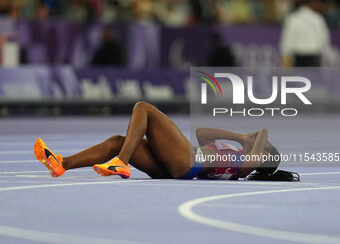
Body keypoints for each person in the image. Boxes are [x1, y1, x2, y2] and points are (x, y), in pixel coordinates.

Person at [34, 101, 298, 181]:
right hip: (176, 164)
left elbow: (257, 150)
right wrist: (241, 136)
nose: (251, 143)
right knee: (119, 141)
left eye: (259, 147)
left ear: (262, 155)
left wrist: (262, 132)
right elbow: (202, 133)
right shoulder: (236, 151)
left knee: (143, 108)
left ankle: (121, 164)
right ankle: (62, 163)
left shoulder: (246, 166)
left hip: (187, 161)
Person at [280, 0, 331, 67]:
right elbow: (323, 37)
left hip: (299, 55)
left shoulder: (292, 18)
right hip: (312, 54)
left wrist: (285, 54)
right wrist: (326, 53)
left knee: (299, 77)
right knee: (312, 78)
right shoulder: (317, 18)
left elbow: (287, 39)